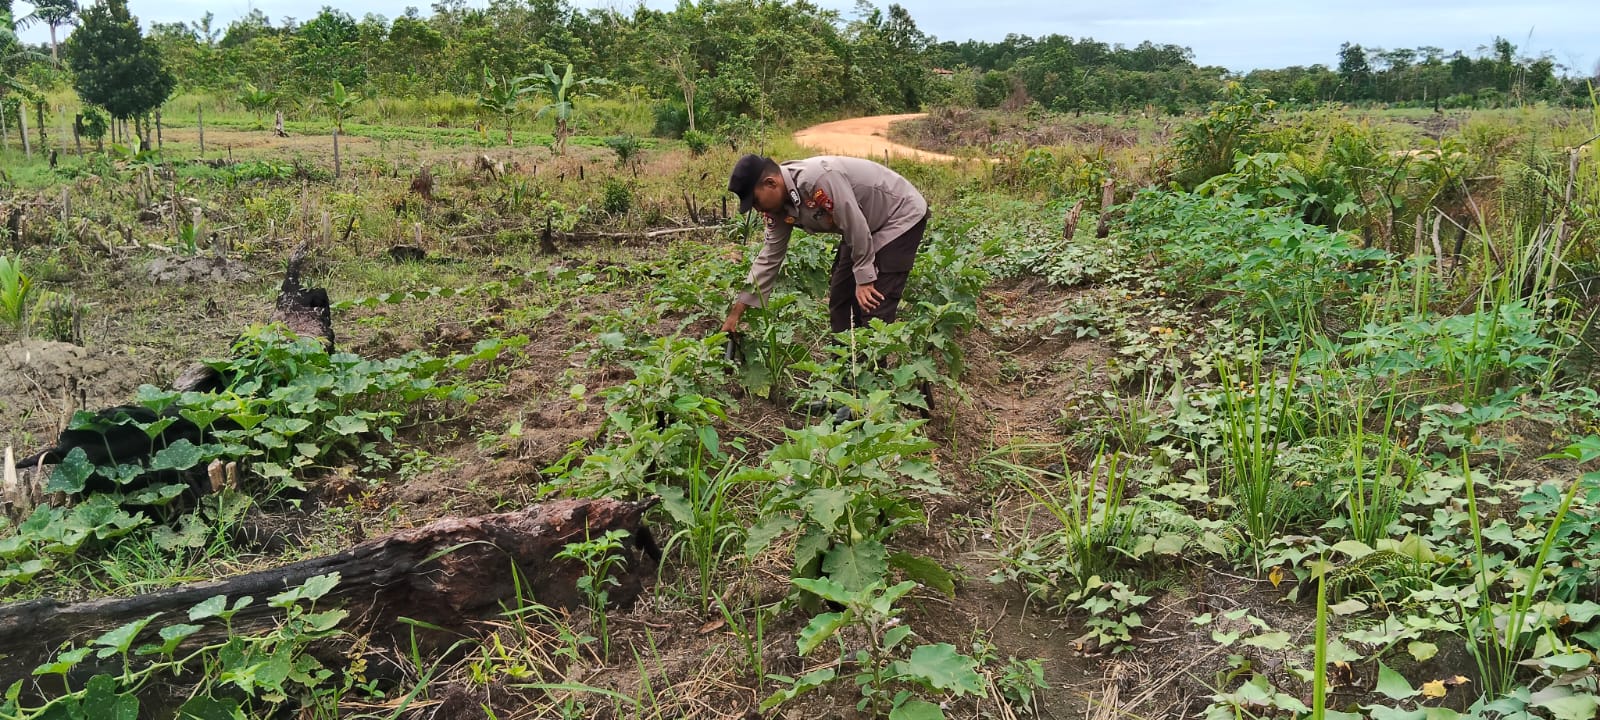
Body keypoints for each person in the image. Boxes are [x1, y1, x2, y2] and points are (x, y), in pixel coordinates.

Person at [720, 154, 929, 336]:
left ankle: (872, 377)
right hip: (862, 227)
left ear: (771, 183)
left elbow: (855, 223)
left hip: (898, 215)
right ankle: (844, 370)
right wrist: (736, 313)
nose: (757, 209)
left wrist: (865, 279)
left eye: (755, 201)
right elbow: (769, 258)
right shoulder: (779, 208)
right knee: (841, 299)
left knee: (873, 303)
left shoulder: (815, 180)